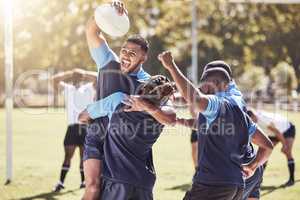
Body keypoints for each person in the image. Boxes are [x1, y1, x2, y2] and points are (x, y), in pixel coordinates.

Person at [80, 1, 175, 199]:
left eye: (132, 53)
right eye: (124, 50)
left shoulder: (151, 85)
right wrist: (109, 12)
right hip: (98, 134)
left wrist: (148, 107)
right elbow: (91, 31)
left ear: (143, 58)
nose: (125, 55)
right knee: (93, 186)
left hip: (126, 144)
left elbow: (170, 117)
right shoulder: (108, 61)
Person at [158, 51, 273, 200]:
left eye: (204, 84)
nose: (202, 88)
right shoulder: (238, 110)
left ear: (217, 83)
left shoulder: (218, 103)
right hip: (236, 184)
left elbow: (197, 99)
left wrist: (171, 66)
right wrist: (252, 167)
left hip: (213, 183)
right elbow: (268, 145)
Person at [51, 69, 97, 192]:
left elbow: (98, 77)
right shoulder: (68, 89)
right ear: (72, 79)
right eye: (75, 77)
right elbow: (54, 79)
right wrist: (70, 72)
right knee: (67, 156)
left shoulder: (89, 88)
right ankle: (60, 182)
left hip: (85, 127)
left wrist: (84, 73)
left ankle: (83, 182)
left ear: (82, 79)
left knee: (84, 158)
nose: (77, 79)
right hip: (72, 128)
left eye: (79, 77)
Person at [247, 109, 296, 186]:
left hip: (287, 129)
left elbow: (277, 132)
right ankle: (258, 181)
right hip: (272, 134)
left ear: (253, 116)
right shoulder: (252, 120)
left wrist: (284, 145)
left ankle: (291, 179)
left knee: (287, 152)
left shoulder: (262, 119)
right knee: (264, 154)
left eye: (251, 119)